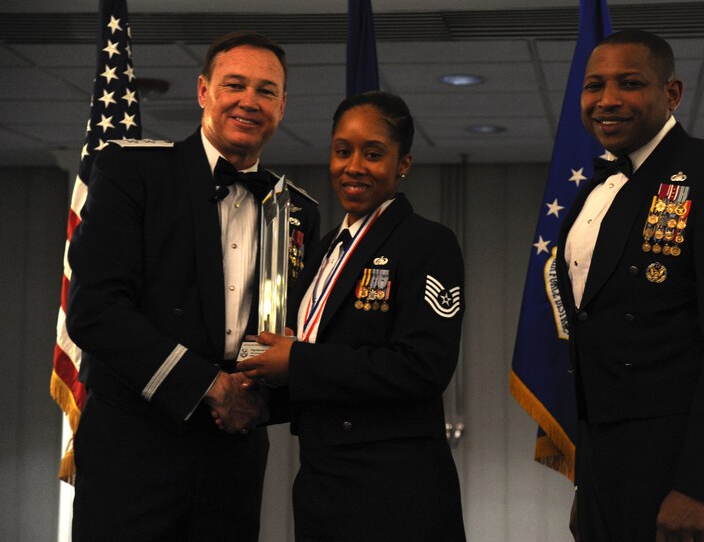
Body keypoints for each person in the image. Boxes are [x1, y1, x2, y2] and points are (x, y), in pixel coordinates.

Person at [66, 31, 320, 542]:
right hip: (132, 451)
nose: (250, 101)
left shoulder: (296, 210)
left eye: (266, 91)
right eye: (235, 85)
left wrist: (249, 395)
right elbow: (95, 310)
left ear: (283, 106)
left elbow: (278, 331)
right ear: (203, 91)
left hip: (232, 457)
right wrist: (209, 387)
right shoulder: (132, 171)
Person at [559, 30, 704, 542]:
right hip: (604, 467)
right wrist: (586, 485)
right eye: (594, 86)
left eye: (630, 83)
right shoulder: (595, 192)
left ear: (672, 93)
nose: (607, 100)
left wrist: (702, 487)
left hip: (682, 466)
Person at [238, 91, 467, 542]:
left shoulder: (427, 243)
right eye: (342, 151)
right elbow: (316, 368)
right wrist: (253, 394)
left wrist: (297, 362)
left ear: (403, 163)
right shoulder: (323, 250)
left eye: (373, 154)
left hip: (396, 491)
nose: (354, 166)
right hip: (323, 484)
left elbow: (423, 368)